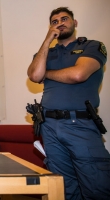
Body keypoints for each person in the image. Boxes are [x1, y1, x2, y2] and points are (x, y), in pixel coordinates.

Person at [27, 7, 110, 200]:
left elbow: (78, 74)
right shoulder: (46, 52)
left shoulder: (93, 46)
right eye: (55, 21)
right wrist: (47, 40)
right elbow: (34, 75)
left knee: (96, 185)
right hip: (49, 126)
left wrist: (46, 75)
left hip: (79, 124)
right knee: (62, 186)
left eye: (64, 19)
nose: (60, 23)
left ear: (75, 23)